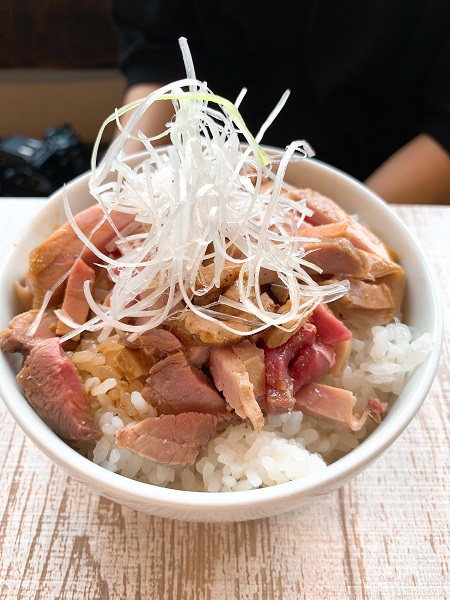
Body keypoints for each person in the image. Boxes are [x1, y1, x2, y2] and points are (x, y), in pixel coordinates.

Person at [109, 0, 450, 204]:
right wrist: (124, 189)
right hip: (194, 176)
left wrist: (343, 226)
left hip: (383, 176)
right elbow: (159, 53)